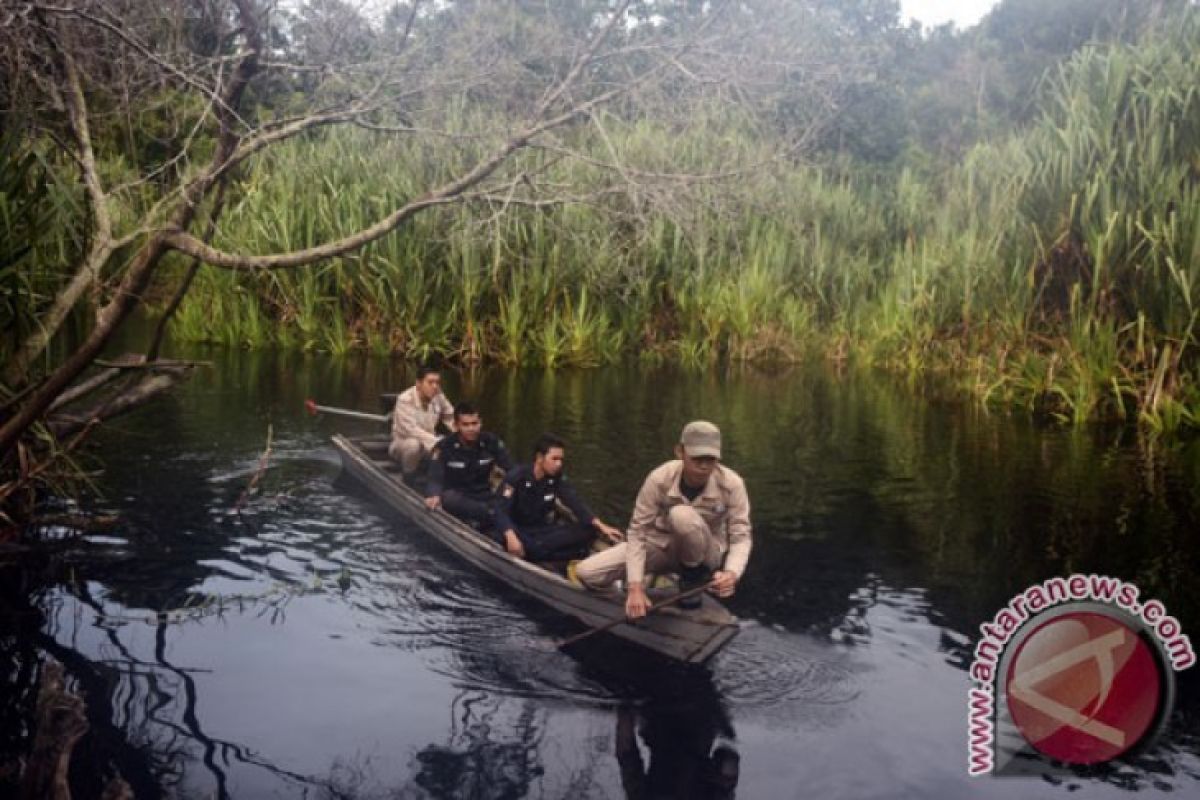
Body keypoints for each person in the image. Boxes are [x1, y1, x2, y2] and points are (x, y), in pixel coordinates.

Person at [575, 420, 751, 616]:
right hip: (660, 545)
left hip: (704, 556)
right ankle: (629, 605)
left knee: (681, 515)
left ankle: (692, 580)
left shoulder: (732, 484)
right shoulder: (659, 478)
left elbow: (741, 537)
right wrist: (635, 587)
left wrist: (731, 573)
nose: (703, 466)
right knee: (587, 573)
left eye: (710, 459)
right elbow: (638, 532)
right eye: (697, 458)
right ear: (680, 452)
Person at [493, 433, 624, 562]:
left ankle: (561, 554)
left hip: (542, 530)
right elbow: (500, 510)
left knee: (589, 531)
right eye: (554, 459)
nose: (559, 464)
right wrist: (510, 536)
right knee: (533, 548)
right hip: (519, 530)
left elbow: (574, 501)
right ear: (540, 457)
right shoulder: (517, 477)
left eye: (561, 460)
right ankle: (571, 554)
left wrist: (601, 526)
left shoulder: (556, 478)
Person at [424, 402, 512, 530]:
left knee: (510, 489)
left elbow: (511, 468)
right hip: (459, 497)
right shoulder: (444, 447)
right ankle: (492, 515)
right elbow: (434, 476)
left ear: (480, 423)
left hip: (484, 495)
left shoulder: (491, 442)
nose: (471, 429)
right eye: (465, 425)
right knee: (448, 498)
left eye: (474, 424)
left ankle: (492, 515)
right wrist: (433, 494)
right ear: (456, 425)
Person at [389, 366, 455, 474]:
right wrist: (437, 442)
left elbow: (451, 417)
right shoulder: (405, 399)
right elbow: (411, 430)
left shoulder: (438, 395)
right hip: (403, 444)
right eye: (430, 382)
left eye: (437, 383)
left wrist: (464, 436)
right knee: (414, 445)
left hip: (429, 443)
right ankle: (408, 476)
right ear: (419, 383)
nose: (435, 386)